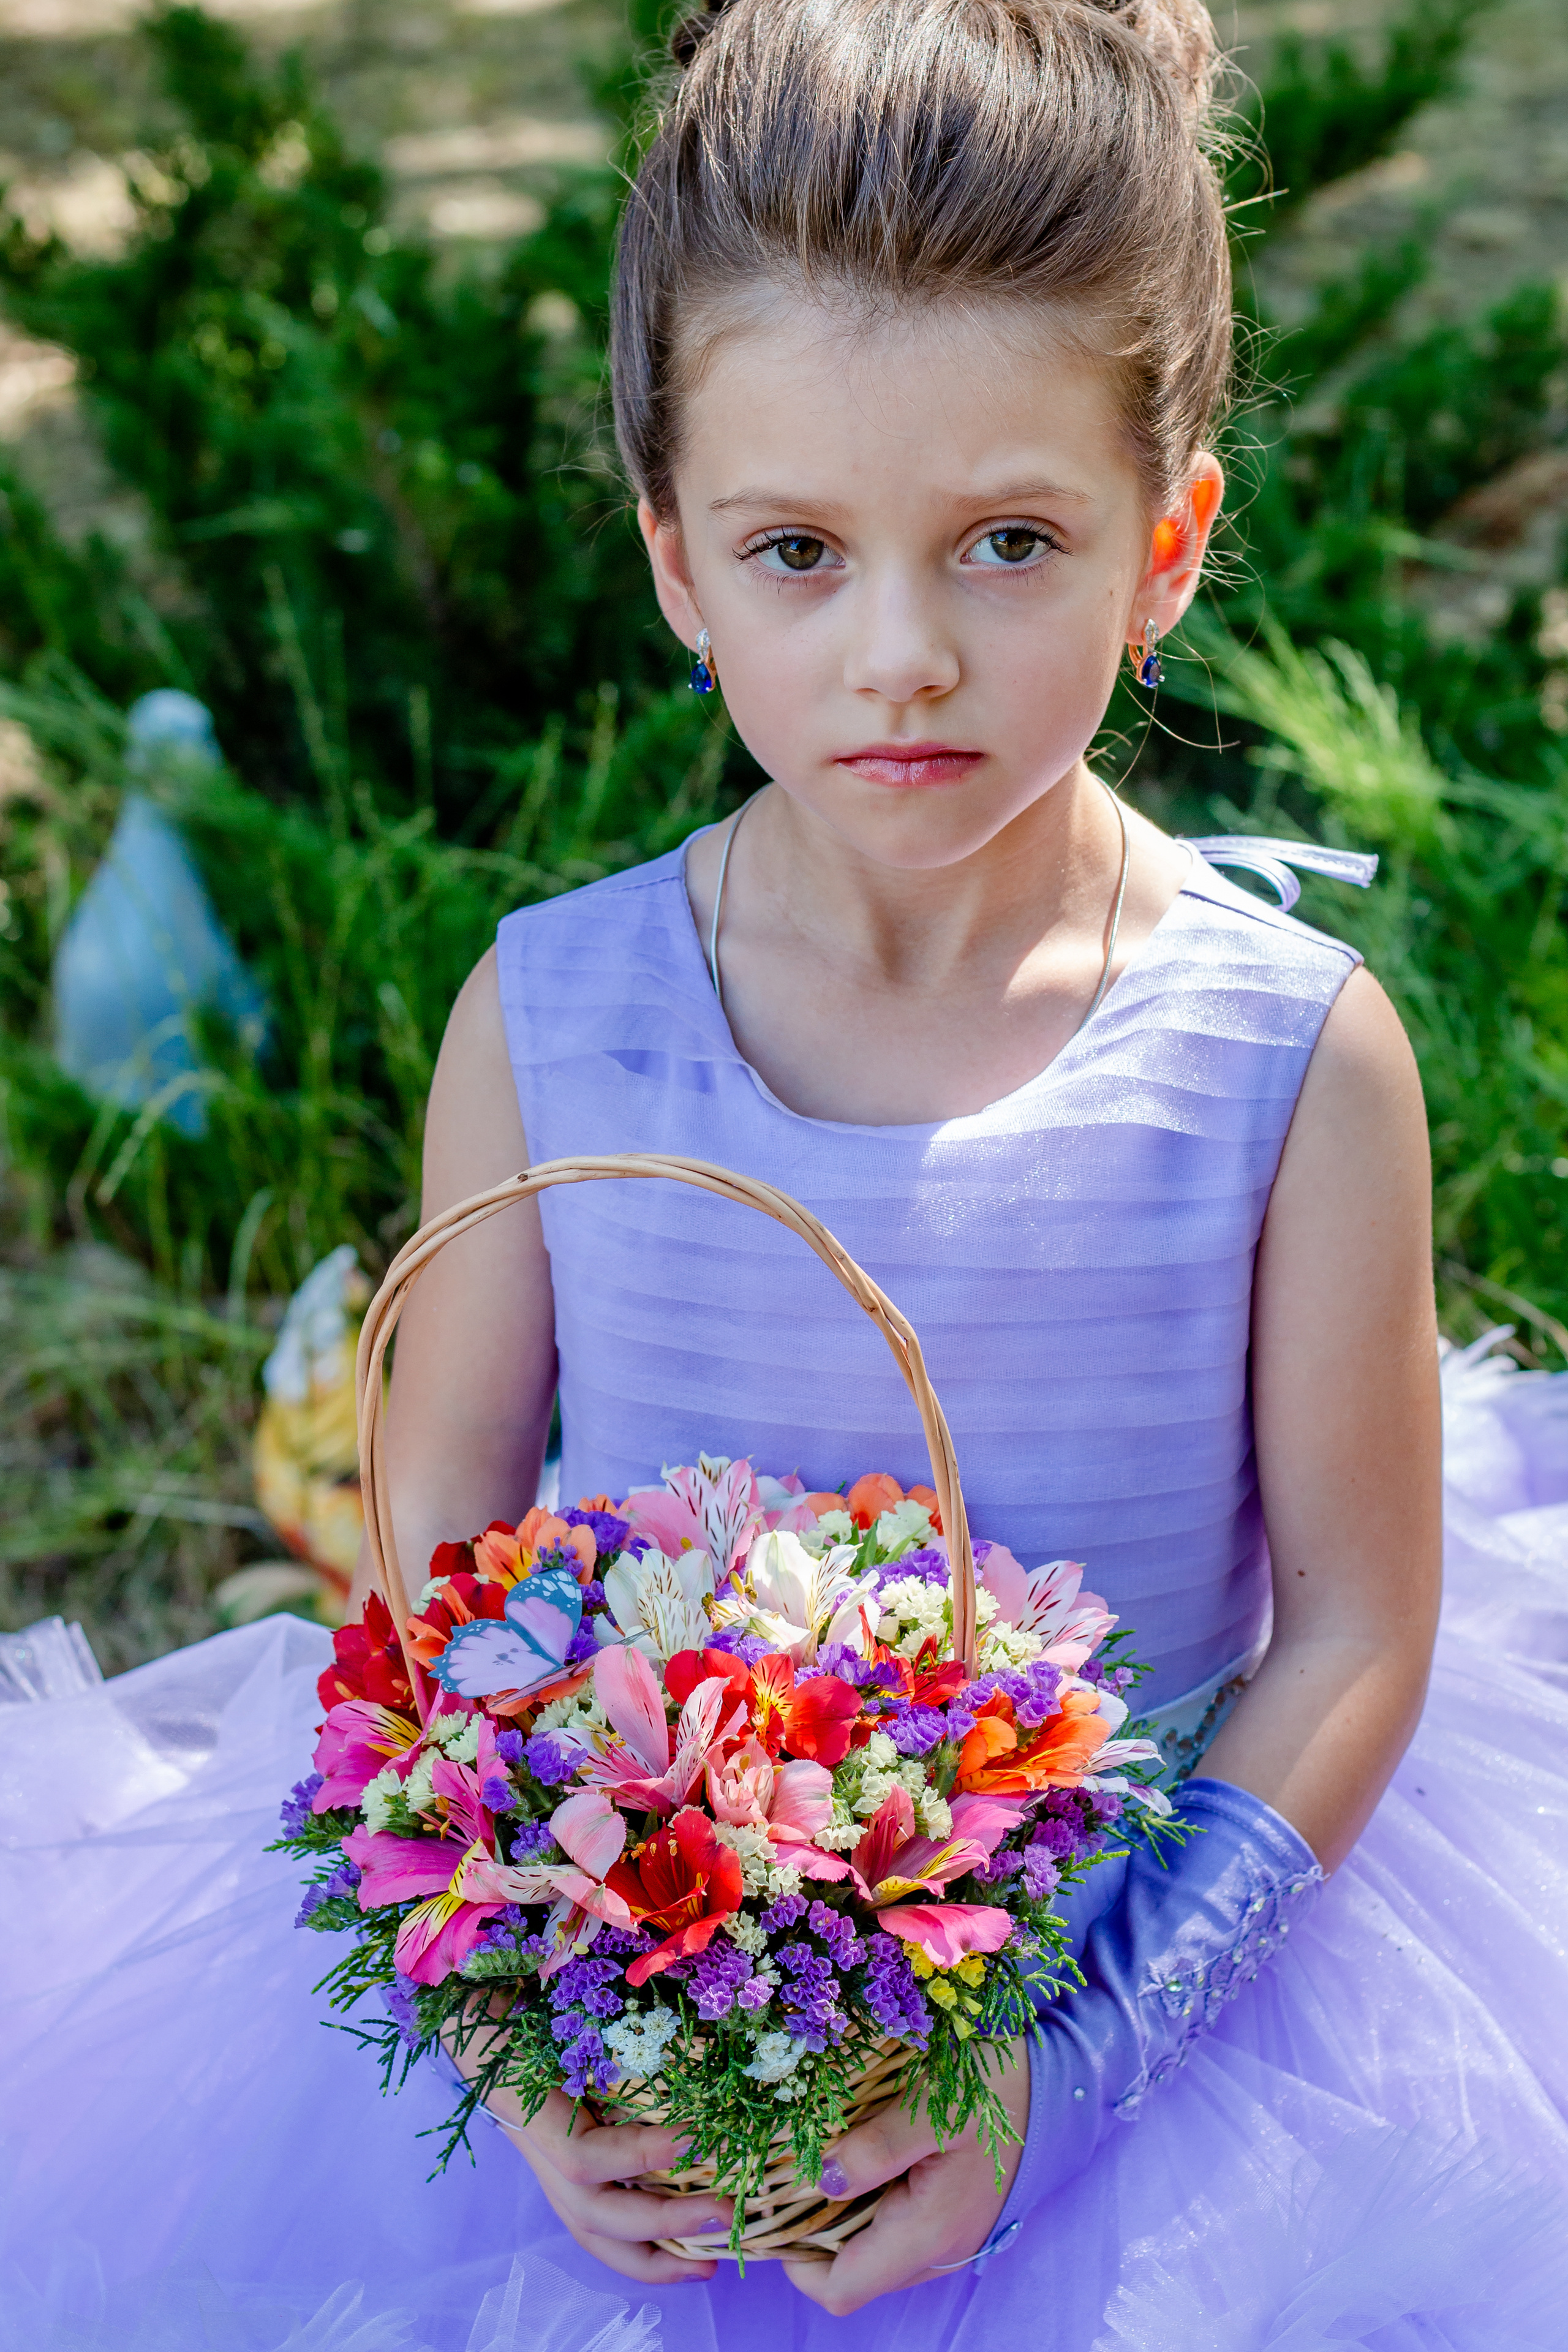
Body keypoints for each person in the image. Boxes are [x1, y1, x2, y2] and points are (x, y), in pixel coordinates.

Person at [2, 1, 1566, 2345]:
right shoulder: (552, 1018)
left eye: (1011, 542)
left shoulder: (1281, 1058)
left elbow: (1350, 1626)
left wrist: (1069, 2063)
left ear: (1169, 544)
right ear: (674, 562)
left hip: (1147, 2002)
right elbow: (435, 1564)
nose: (903, 654)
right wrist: (512, 2028)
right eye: (799, 552)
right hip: (624, 1990)